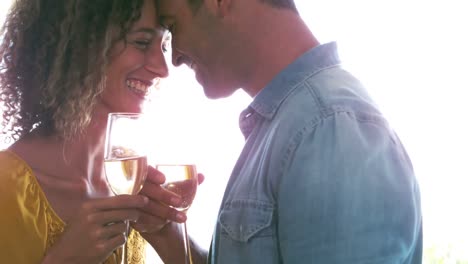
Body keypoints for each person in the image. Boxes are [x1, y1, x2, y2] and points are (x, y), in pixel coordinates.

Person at [142, 0, 424, 263]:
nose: (174, 57)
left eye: (173, 26)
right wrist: (167, 232)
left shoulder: (328, 128)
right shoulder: (298, 124)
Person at [0, 0, 186, 263]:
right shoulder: (6, 186)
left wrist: (171, 236)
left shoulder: (134, 188)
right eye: (142, 43)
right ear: (82, 48)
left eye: (164, 46)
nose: (163, 69)